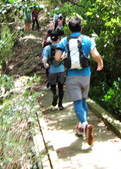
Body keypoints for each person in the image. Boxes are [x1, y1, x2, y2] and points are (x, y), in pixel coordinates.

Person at [55, 17, 103, 146]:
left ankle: (85, 125)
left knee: (77, 103)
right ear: (81, 28)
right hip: (86, 75)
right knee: (83, 101)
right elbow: (95, 55)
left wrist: (63, 58)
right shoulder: (87, 39)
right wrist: (100, 62)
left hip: (72, 76)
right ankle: (82, 127)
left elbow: (57, 57)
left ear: (69, 29)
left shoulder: (65, 41)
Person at [42, 31, 66, 110]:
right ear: (58, 38)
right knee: (61, 87)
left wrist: (46, 65)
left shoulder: (47, 48)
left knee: (53, 86)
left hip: (52, 71)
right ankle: (60, 105)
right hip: (61, 70)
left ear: (51, 39)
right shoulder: (62, 47)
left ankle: (54, 94)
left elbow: (44, 59)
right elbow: (65, 56)